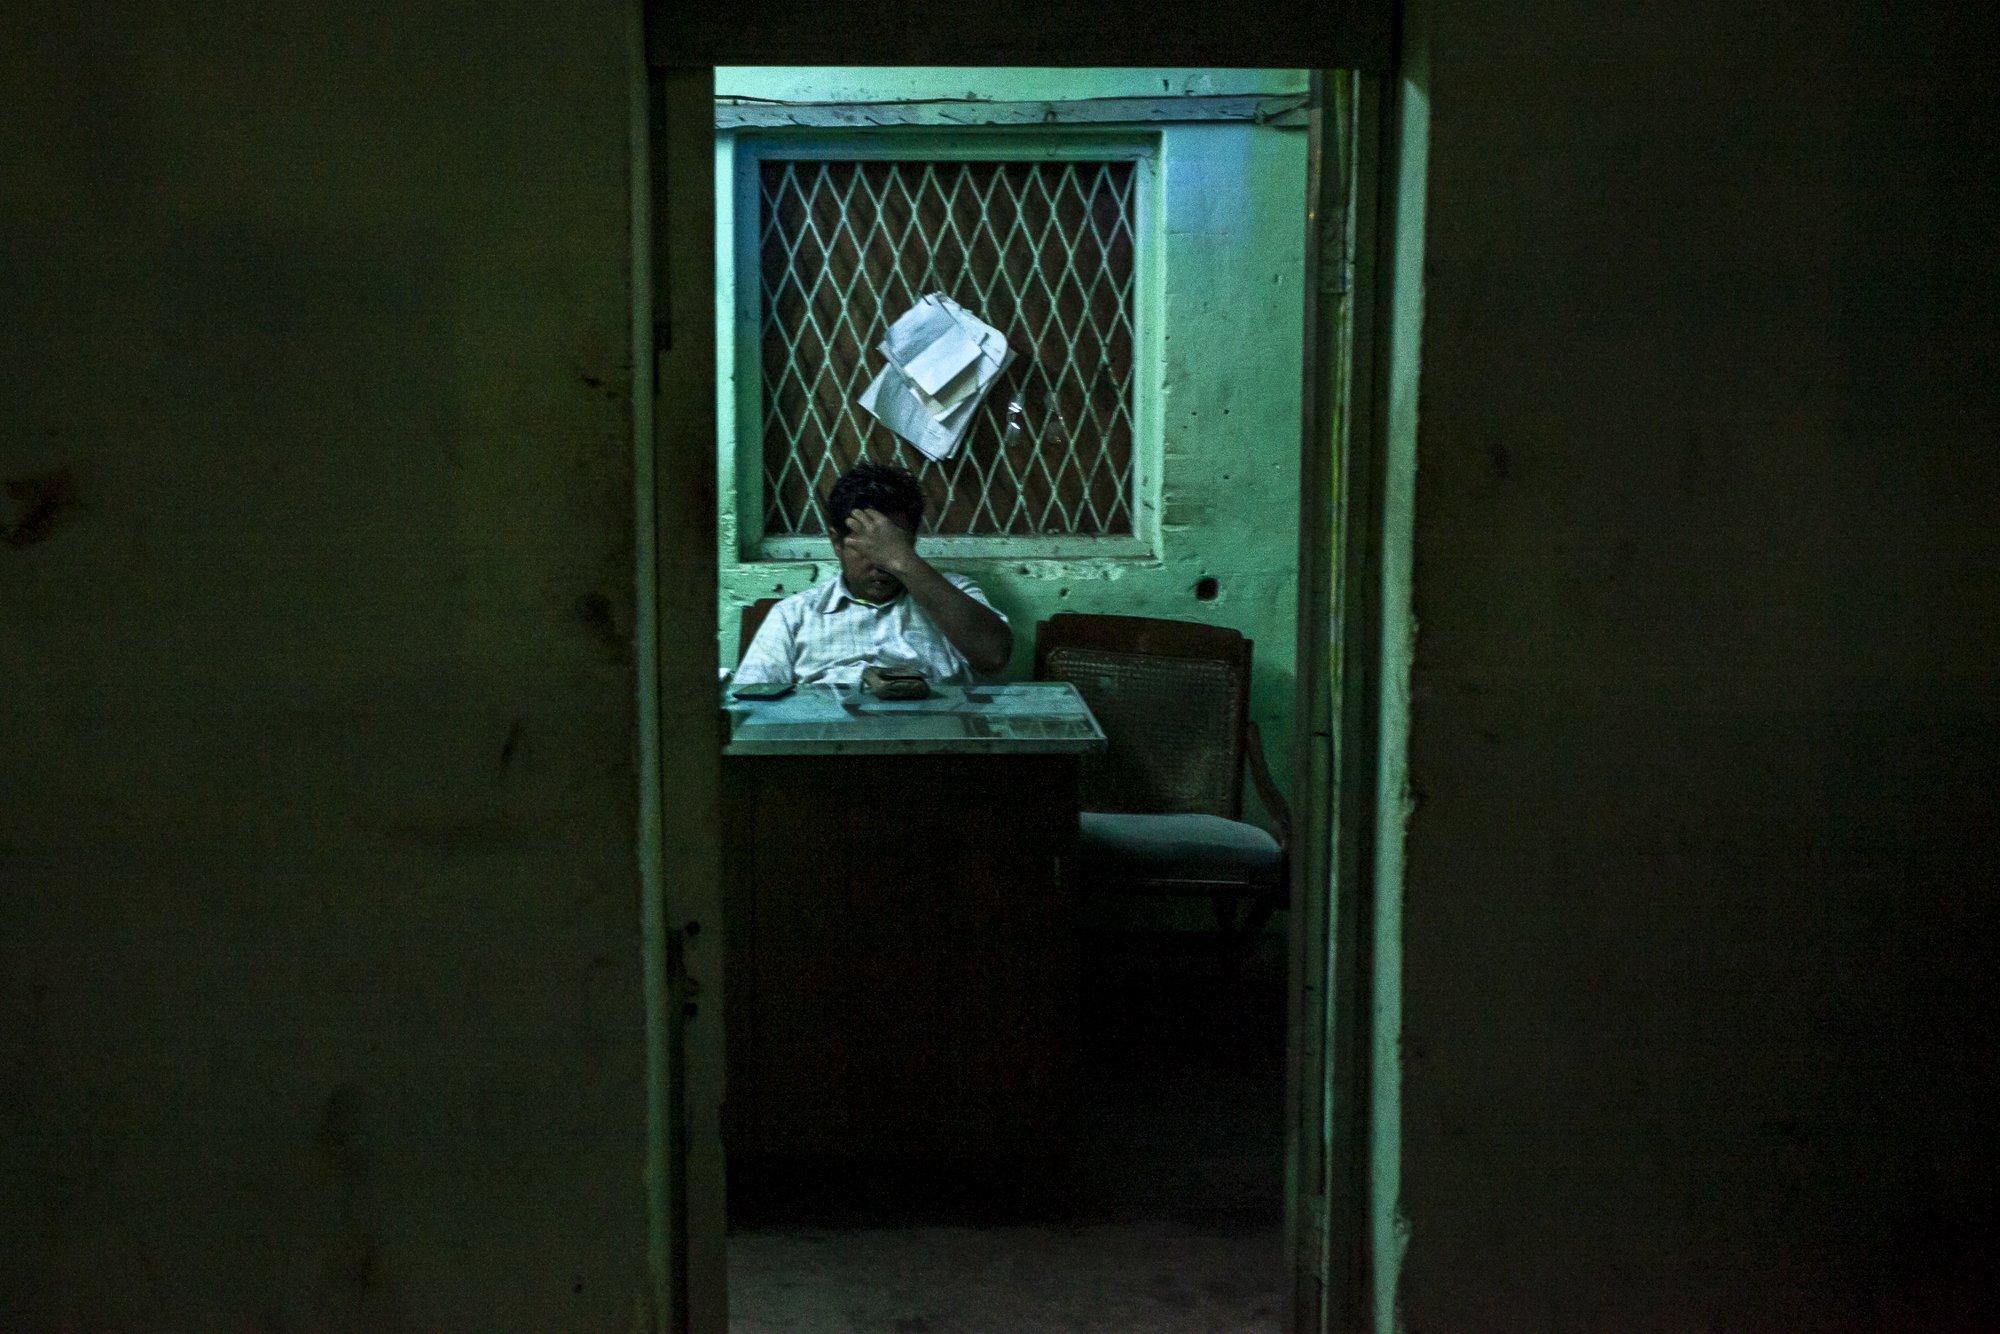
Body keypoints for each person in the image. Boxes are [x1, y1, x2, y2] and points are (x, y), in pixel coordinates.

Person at [732, 460, 1013, 688]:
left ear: (911, 543)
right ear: (836, 543)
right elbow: (751, 704)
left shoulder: (953, 595)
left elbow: (995, 657)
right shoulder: (795, 615)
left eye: (892, 548)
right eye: (867, 548)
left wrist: (903, 560)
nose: (882, 564)